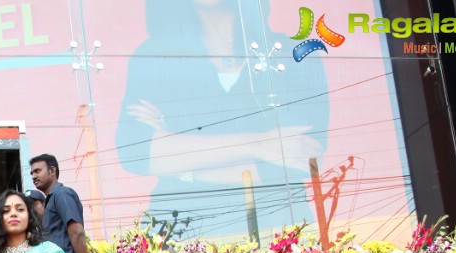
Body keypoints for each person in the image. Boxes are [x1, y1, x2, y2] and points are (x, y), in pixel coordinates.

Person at [114, 0, 328, 239]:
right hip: (180, 233)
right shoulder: (154, 55)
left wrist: (182, 164)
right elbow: (138, 153)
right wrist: (260, 144)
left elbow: (298, 159)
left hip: (281, 231)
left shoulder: (293, 53)